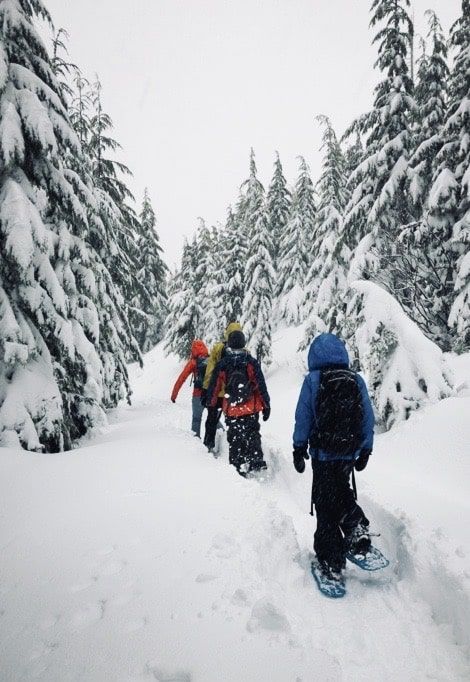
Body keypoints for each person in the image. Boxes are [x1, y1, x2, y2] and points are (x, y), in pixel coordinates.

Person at [292, 332, 374, 582]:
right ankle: (355, 526)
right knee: (341, 489)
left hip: (323, 453)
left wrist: (298, 447)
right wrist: (365, 449)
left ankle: (332, 557)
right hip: (348, 452)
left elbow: (303, 416)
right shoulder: (355, 379)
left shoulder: (314, 380)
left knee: (324, 502)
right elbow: (368, 417)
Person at [206, 330, 270, 476]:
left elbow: (214, 386)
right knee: (252, 433)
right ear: (243, 343)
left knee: (234, 437)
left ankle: (237, 465)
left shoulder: (223, 363)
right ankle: (256, 461)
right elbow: (260, 385)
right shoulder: (250, 362)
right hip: (250, 408)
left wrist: (211, 403)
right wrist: (266, 405)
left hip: (232, 409)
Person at [201, 321, 243, 452]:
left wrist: (206, 389)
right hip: (235, 395)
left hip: (217, 393)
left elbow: (210, 371)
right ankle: (234, 448)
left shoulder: (217, 348)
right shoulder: (244, 351)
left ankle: (209, 445)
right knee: (234, 421)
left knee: (212, 419)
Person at [171, 339, 209, 437]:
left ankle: (196, 445)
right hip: (210, 394)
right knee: (213, 418)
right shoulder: (210, 360)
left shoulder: (193, 362)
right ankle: (221, 439)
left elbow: (181, 378)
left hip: (197, 395)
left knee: (196, 419)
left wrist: (174, 396)